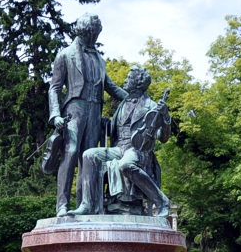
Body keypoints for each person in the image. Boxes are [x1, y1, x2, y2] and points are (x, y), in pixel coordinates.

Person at [48, 13, 128, 216]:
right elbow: (54, 88)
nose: (97, 37)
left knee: (90, 158)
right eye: (95, 33)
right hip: (74, 109)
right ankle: (62, 205)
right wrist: (55, 115)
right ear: (87, 32)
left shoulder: (99, 60)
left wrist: (135, 98)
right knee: (71, 152)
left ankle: (86, 204)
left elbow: (110, 86)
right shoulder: (65, 55)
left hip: (94, 111)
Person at [68, 66, 171, 217]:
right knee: (89, 155)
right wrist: (107, 125)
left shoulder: (152, 106)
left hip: (138, 150)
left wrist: (166, 118)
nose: (125, 81)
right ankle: (87, 205)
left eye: (129, 78)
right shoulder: (123, 104)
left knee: (125, 164)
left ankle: (162, 201)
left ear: (138, 82)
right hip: (118, 148)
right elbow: (115, 131)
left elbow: (163, 137)